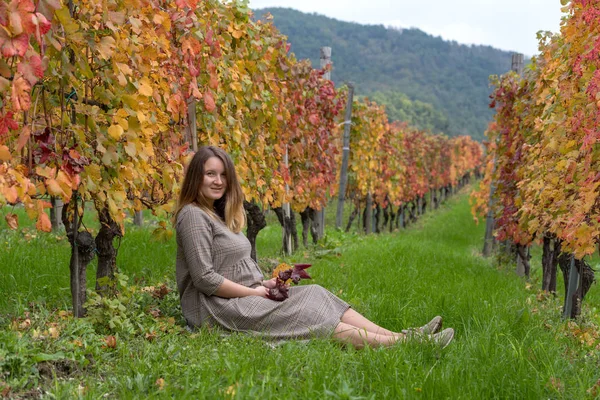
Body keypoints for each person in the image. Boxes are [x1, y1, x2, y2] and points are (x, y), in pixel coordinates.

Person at [174, 145, 454, 349]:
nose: (218, 181)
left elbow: (230, 268)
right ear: (196, 177)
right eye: (210, 174)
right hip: (216, 309)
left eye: (223, 174)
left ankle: (405, 336)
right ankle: (406, 346)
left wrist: (267, 282)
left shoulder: (216, 214)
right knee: (307, 315)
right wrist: (254, 292)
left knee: (316, 295)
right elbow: (205, 278)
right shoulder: (193, 215)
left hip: (241, 296)